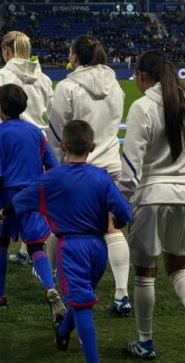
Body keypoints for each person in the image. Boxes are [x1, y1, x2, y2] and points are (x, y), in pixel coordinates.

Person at [4, 120, 132, 363]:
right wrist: (121, 221)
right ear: (92, 147)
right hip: (98, 249)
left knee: (82, 303)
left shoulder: (52, 178)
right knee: (81, 295)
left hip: (71, 247)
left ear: (62, 146)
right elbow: (123, 211)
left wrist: (4, 211)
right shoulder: (101, 177)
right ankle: (63, 333)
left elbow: (23, 198)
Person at [120, 50, 185, 362]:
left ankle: (145, 342)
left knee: (145, 274)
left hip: (152, 196)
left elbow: (131, 164)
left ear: (142, 76)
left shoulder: (142, 106)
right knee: (178, 270)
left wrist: (120, 203)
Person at [46, 35, 132, 316]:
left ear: (75, 57)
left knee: (61, 227)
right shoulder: (115, 85)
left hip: (77, 166)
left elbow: (57, 131)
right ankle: (121, 294)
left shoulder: (67, 86)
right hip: (109, 162)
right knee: (112, 228)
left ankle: (54, 287)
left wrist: (55, 164)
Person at [0, 85, 63, 319]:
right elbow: (53, 167)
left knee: (1, 241)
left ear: (1, 107)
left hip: (7, 197)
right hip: (33, 196)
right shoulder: (36, 132)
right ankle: (50, 288)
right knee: (36, 246)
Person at [0, 31, 54, 265]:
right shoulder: (43, 78)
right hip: (37, 139)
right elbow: (50, 109)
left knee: (8, 193)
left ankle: (9, 258)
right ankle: (31, 249)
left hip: (10, 139)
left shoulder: (2, 74)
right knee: (35, 197)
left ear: (6, 49)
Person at [0, 31, 53, 128]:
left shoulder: (0, 76)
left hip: (10, 137)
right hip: (39, 136)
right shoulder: (44, 79)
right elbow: (52, 113)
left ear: (6, 49)